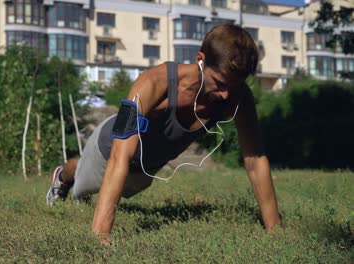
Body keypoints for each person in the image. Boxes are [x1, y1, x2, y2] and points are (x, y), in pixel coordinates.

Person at [46, 24, 282, 243]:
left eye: (234, 86)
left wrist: (275, 232)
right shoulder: (153, 82)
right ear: (200, 61)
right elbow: (119, 156)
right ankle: (62, 177)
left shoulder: (238, 97)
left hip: (146, 167)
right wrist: (100, 239)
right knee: (82, 181)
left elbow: (255, 160)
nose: (226, 96)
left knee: (125, 188)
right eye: (220, 84)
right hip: (109, 149)